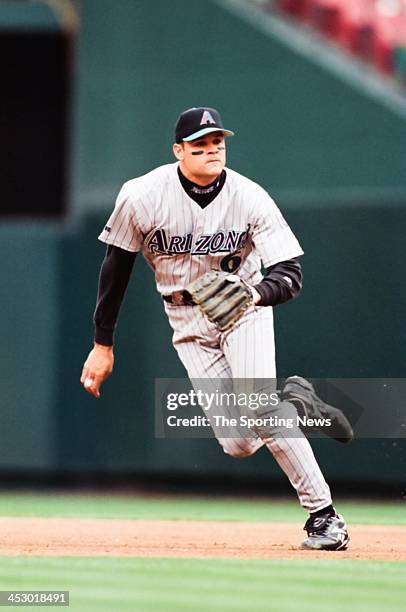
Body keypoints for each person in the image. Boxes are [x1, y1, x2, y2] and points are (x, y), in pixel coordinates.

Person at [80, 107, 350, 551]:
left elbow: (289, 274)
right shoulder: (142, 196)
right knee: (238, 443)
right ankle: (295, 402)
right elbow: (116, 270)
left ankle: (323, 516)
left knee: (259, 407)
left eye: (217, 143)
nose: (211, 151)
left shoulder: (250, 196)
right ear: (178, 151)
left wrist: (254, 295)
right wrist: (102, 344)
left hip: (244, 309)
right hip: (185, 318)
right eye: (200, 145)